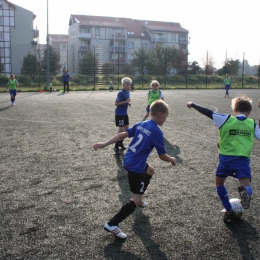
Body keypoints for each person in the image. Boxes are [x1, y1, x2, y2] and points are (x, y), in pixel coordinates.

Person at [93, 100, 176, 239]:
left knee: (150, 170)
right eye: (166, 116)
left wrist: (103, 144)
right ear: (160, 114)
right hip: (136, 166)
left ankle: (139, 198)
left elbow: (121, 135)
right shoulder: (157, 132)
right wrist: (172, 159)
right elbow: (162, 156)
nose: (166, 119)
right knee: (135, 200)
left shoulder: (143, 124)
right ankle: (112, 224)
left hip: (129, 159)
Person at [187, 95, 260, 223]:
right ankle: (246, 192)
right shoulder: (252, 124)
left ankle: (228, 209)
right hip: (242, 160)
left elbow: (209, 112)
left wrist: (193, 104)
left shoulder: (226, 119)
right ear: (249, 111)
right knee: (246, 185)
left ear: (234, 110)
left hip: (226, 159)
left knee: (219, 184)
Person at [113, 77, 132, 154]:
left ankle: (120, 142)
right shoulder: (121, 93)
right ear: (123, 85)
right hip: (119, 114)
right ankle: (116, 146)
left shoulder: (128, 92)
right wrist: (126, 101)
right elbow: (116, 103)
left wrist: (128, 103)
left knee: (126, 129)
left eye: (129, 85)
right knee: (121, 130)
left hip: (125, 114)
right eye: (127, 85)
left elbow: (125, 101)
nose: (128, 86)